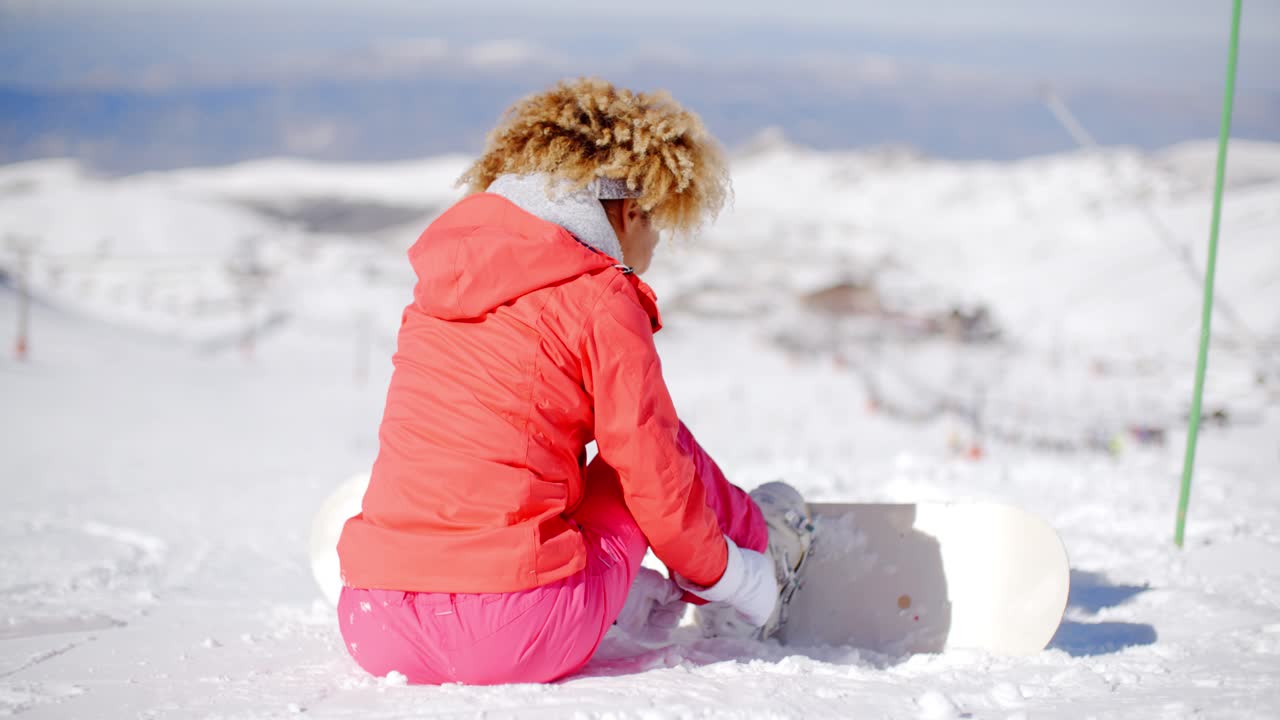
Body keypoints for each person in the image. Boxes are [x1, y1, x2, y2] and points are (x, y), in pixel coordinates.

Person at [335, 77, 814, 685]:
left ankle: (630, 596)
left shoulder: (438, 289)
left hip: (373, 624)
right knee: (648, 456)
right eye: (658, 224)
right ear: (630, 211)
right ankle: (758, 567)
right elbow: (652, 475)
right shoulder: (599, 296)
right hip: (514, 630)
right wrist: (737, 578)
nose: (655, 243)